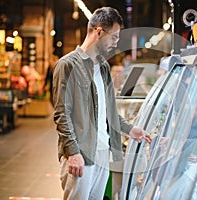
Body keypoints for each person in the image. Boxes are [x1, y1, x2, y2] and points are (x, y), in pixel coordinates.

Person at [52, 7, 152, 200]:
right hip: (81, 154)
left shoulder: (104, 67)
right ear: (99, 31)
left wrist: (131, 130)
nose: (115, 44)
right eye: (114, 37)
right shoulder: (67, 65)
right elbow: (62, 115)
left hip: (102, 152)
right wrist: (73, 152)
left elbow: (108, 112)